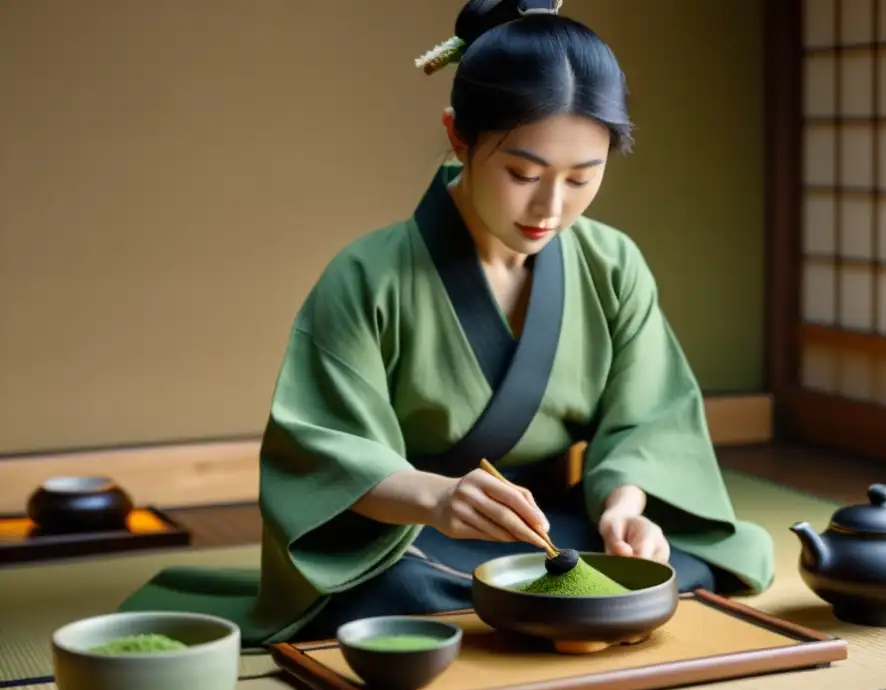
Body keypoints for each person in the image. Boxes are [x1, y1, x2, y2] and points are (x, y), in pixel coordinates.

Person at [120, 0, 775, 647]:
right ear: (458, 135)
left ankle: (560, 594)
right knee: (394, 595)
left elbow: (650, 419)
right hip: (411, 532)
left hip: (556, 528)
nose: (551, 206)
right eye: (523, 172)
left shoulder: (613, 263)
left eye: (583, 176)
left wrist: (624, 510)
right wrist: (436, 499)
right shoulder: (366, 275)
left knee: (684, 562)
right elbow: (323, 447)